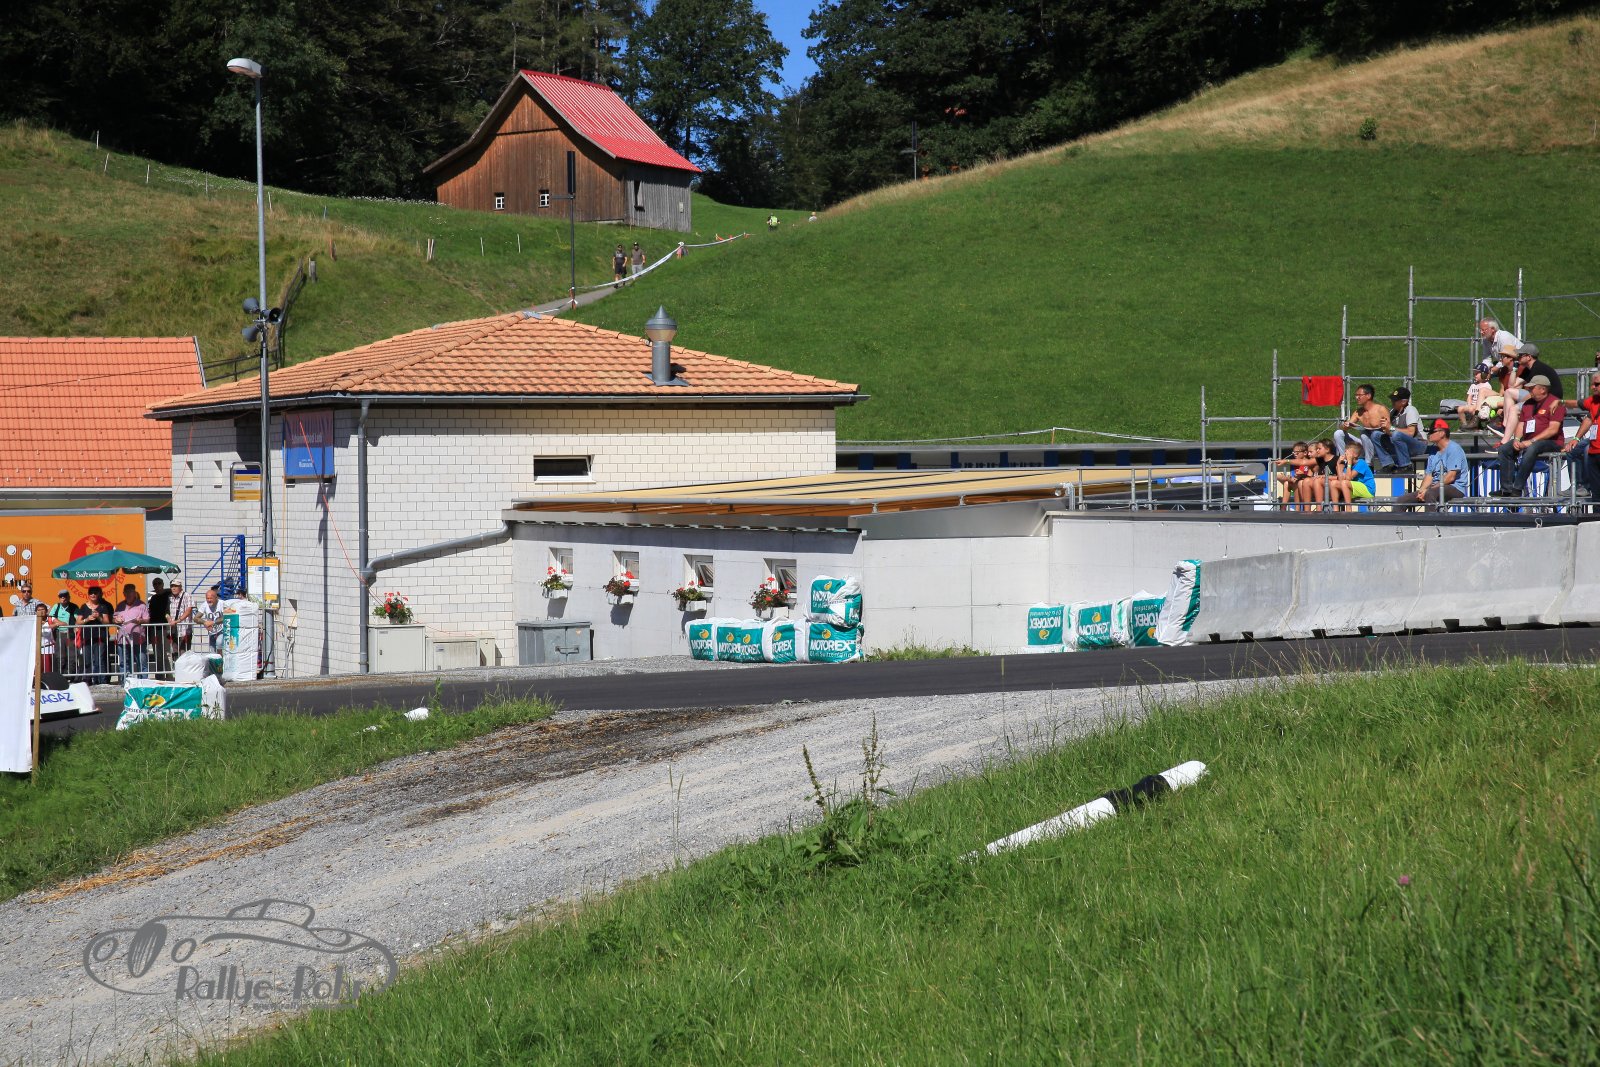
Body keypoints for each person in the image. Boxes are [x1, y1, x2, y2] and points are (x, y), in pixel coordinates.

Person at [1495, 374, 1564, 497]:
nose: (1529, 390)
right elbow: (1521, 424)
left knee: (1532, 448)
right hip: (1528, 440)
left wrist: (1531, 441)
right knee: (1504, 449)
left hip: (1551, 441)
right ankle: (1506, 489)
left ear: (1543, 389)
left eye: (1532, 388)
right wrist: (1517, 439)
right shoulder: (1528, 404)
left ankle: (1517, 488)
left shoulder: (1555, 403)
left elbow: (1553, 430)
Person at [1395, 420, 1468, 509]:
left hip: (1455, 487)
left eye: (1432, 431)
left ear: (1442, 433)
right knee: (1402, 500)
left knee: (1429, 494)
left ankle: (1431, 518)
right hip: (1435, 487)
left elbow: (1450, 477)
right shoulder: (1433, 451)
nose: (1429, 434)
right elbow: (1429, 476)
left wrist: (1428, 490)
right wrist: (1422, 490)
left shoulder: (1454, 449)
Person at [1562, 373, 1600, 502]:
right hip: (1594, 446)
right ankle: (1580, 485)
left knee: (1586, 450)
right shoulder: (1594, 400)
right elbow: (1579, 406)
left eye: (1597, 384)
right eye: (1592, 384)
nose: (1593, 387)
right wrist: (1576, 438)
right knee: (1573, 450)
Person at [1334, 383, 1389, 465]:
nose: (1357, 397)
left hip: (1380, 444)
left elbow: (1389, 429)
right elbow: (1345, 427)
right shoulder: (1358, 412)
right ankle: (1344, 460)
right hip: (1365, 445)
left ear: (1368, 396)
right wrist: (1346, 426)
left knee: (1364, 435)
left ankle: (1368, 464)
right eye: (1356, 395)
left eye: (1359, 395)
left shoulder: (1381, 409)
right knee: (1338, 433)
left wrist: (1384, 428)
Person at [1375, 386, 1427, 473]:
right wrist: (1384, 428)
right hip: (1400, 444)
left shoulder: (1410, 410)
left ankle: (1406, 465)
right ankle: (1388, 464)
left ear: (1404, 401)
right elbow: (1391, 432)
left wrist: (1390, 428)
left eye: (1395, 400)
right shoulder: (1393, 412)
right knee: (1376, 435)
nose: (1392, 402)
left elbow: (1410, 432)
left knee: (1396, 434)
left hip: (1418, 444)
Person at [76, 585, 114, 685]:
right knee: (87, 660)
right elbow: (78, 622)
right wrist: (87, 619)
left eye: (95, 593)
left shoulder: (103, 607)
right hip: (87, 637)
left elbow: (107, 622)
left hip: (100, 637)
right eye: (91, 593)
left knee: (100, 660)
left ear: (99, 595)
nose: (93, 595)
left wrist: (99, 617)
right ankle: (88, 680)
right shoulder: (83, 607)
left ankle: (102, 681)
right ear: (88, 595)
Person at [114, 582, 150, 678]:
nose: (129, 594)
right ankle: (126, 682)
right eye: (127, 592)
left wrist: (140, 620)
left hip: (138, 639)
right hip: (123, 639)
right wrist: (116, 620)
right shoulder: (120, 605)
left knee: (141, 662)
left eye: (131, 591)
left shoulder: (142, 605)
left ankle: (143, 682)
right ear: (124, 593)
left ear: (134, 593)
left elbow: (147, 619)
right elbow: (114, 619)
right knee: (124, 663)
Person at [1333, 441, 1377, 511]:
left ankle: (1348, 508)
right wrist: (1338, 464)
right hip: (1355, 489)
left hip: (1368, 489)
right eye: (1345, 452)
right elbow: (1341, 480)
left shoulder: (1361, 463)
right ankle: (1335, 509)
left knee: (1345, 483)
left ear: (1355, 455)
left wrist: (1349, 463)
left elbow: (1348, 478)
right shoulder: (1347, 465)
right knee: (1334, 483)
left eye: (1347, 452)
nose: (1345, 454)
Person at [1272, 442, 1315, 509]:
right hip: (1299, 484)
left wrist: (1301, 475)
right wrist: (1289, 479)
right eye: (1293, 452)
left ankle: (1297, 509)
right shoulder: (1297, 463)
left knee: (1297, 483)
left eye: (1297, 452)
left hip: (1307, 487)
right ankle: (1283, 507)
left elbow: (1309, 477)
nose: (1294, 454)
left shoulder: (1308, 462)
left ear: (1305, 453)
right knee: (1287, 483)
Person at [49, 590, 77, 676]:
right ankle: (60, 675)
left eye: (65, 596)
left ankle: (70, 675)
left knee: (71, 655)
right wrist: (61, 623)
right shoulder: (56, 606)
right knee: (60, 656)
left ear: (69, 597)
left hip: (70, 634)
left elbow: (78, 619)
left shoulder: (74, 607)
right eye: (61, 597)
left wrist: (74, 628)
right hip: (59, 633)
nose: (63, 598)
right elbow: (51, 617)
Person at [147, 577, 172, 674]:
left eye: (159, 583)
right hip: (154, 628)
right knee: (157, 653)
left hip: (165, 627)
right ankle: (160, 674)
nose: (157, 585)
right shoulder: (153, 598)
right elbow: (151, 613)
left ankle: (169, 674)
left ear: (163, 584)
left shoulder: (168, 596)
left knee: (167, 652)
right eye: (155, 584)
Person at [195, 585, 226, 653]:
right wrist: (205, 622)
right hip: (212, 632)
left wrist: (213, 622)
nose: (209, 600)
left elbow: (227, 617)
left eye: (211, 598)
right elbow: (196, 618)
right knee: (213, 653)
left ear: (216, 598)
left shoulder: (222, 604)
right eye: (207, 598)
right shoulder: (204, 605)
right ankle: (217, 659)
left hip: (222, 630)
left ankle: (222, 658)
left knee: (219, 643)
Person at [169, 579, 194, 653]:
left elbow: (188, 610)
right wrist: (169, 620)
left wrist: (177, 621)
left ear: (180, 587)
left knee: (184, 653)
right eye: (172, 586)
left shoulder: (187, 595)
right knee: (175, 652)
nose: (173, 588)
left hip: (184, 630)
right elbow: (167, 612)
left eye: (176, 586)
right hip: (174, 630)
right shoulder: (170, 597)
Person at [35, 601, 54, 676]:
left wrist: (54, 624)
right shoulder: (34, 621)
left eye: (43, 609)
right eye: (39, 610)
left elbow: (64, 624)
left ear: (46, 611)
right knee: (37, 670)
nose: (41, 611)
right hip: (36, 650)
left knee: (47, 670)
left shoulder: (50, 619)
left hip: (48, 650)